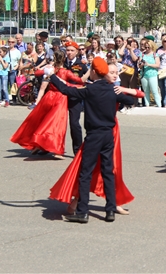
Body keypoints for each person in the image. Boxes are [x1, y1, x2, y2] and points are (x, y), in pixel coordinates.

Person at [49, 63, 145, 216]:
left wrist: (51, 76)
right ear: (105, 73)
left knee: (86, 172)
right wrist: (122, 92)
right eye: (111, 72)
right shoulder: (112, 91)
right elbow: (132, 100)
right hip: (109, 133)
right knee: (108, 171)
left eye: (116, 72)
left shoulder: (91, 89)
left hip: (95, 134)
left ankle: (82, 211)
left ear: (94, 72)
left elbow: (66, 90)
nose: (115, 75)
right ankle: (110, 210)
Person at [10, 51, 85, 156]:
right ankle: (53, 147)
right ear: (63, 60)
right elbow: (78, 80)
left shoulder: (51, 69)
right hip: (60, 98)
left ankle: (41, 144)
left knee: (43, 120)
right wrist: (80, 84)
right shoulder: (65, 72)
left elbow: (36, 73)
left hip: (49, 96)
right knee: (56, 125)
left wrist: (45, 68)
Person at [62, 41, 89, 155]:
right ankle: (49, 147)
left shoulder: (81, 65)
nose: (69, 53)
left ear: (77, 52)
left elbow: (88, 79)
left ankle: (77, 150)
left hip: (74, 97)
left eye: (72, 50)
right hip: (61, 96)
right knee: (56, 122)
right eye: (67, 50)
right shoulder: (62, 63)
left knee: (74, 123)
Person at [139, 39, 162, 107]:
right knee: (146, 91)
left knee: (154, 91)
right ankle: (147, 105)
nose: (147, 48)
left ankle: (159, 105)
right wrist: (141, 64)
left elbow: (157, 65)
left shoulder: (155, 54)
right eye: (145, 47)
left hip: (153, 74)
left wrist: (148, 64)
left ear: (152, 47)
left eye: (148, 47)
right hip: (144, 74)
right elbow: (139, 66)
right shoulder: (142, 55)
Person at [6, 36, 22, 105]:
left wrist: (19, 70)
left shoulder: (17, 52)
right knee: (5, 85)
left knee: (13, 85)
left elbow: (20, 62)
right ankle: (5, 99)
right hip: (5, 70)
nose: (10, 43)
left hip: (13, 70)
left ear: (15, 43)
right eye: (9, 42)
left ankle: (14, 99)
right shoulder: (5, 50)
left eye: (12, 42)